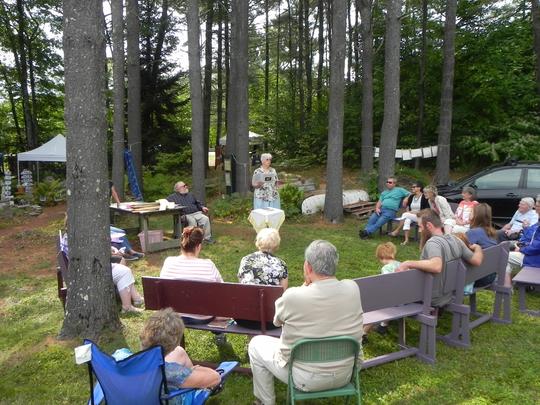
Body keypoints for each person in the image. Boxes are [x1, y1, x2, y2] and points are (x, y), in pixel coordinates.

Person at [248, 240, 363, 405]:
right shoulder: (353, 288)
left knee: (256, 344)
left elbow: (277, 321)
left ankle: (265, 402)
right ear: (335, 265)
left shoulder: (293, 296)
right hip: (345, 374)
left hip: (304, 378)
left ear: (308, 267)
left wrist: (304, 285)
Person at [396, 209, 483, 308]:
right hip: (447, 294)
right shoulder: (456, 240)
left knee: (387, 284)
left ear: (428, 225)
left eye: (420, 227)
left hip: (430, 297)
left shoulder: (433, 243)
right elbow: (477, 260)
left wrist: (408, 263)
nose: (419, 230)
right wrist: (478, 248)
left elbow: (436, 266)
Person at [140, 308, 220, 393]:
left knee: (179, 351)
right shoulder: (172, 373)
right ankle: (195, 385)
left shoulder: (127, 361)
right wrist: (194, 370)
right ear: (173, 344)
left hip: (140, 394)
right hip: (169, 400)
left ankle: (193, 378)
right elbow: (215, 377)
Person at [160, 227, 223, 324]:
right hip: (203, 316)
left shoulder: (169, 261)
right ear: (198, 246)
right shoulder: (208, 265)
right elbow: (222, 289)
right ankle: (219, 334)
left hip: (173, 315)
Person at [504, 198, 540, 287]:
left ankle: (506, 287)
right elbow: (532, 239)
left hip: (535, 258)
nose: (535, 207)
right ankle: (512, 282)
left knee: (504, 256)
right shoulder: (538, 222)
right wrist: (526, 228)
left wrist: (521, 249)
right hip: (533, 253)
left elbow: (537, 246)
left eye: (537, 206)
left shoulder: (536, 220)